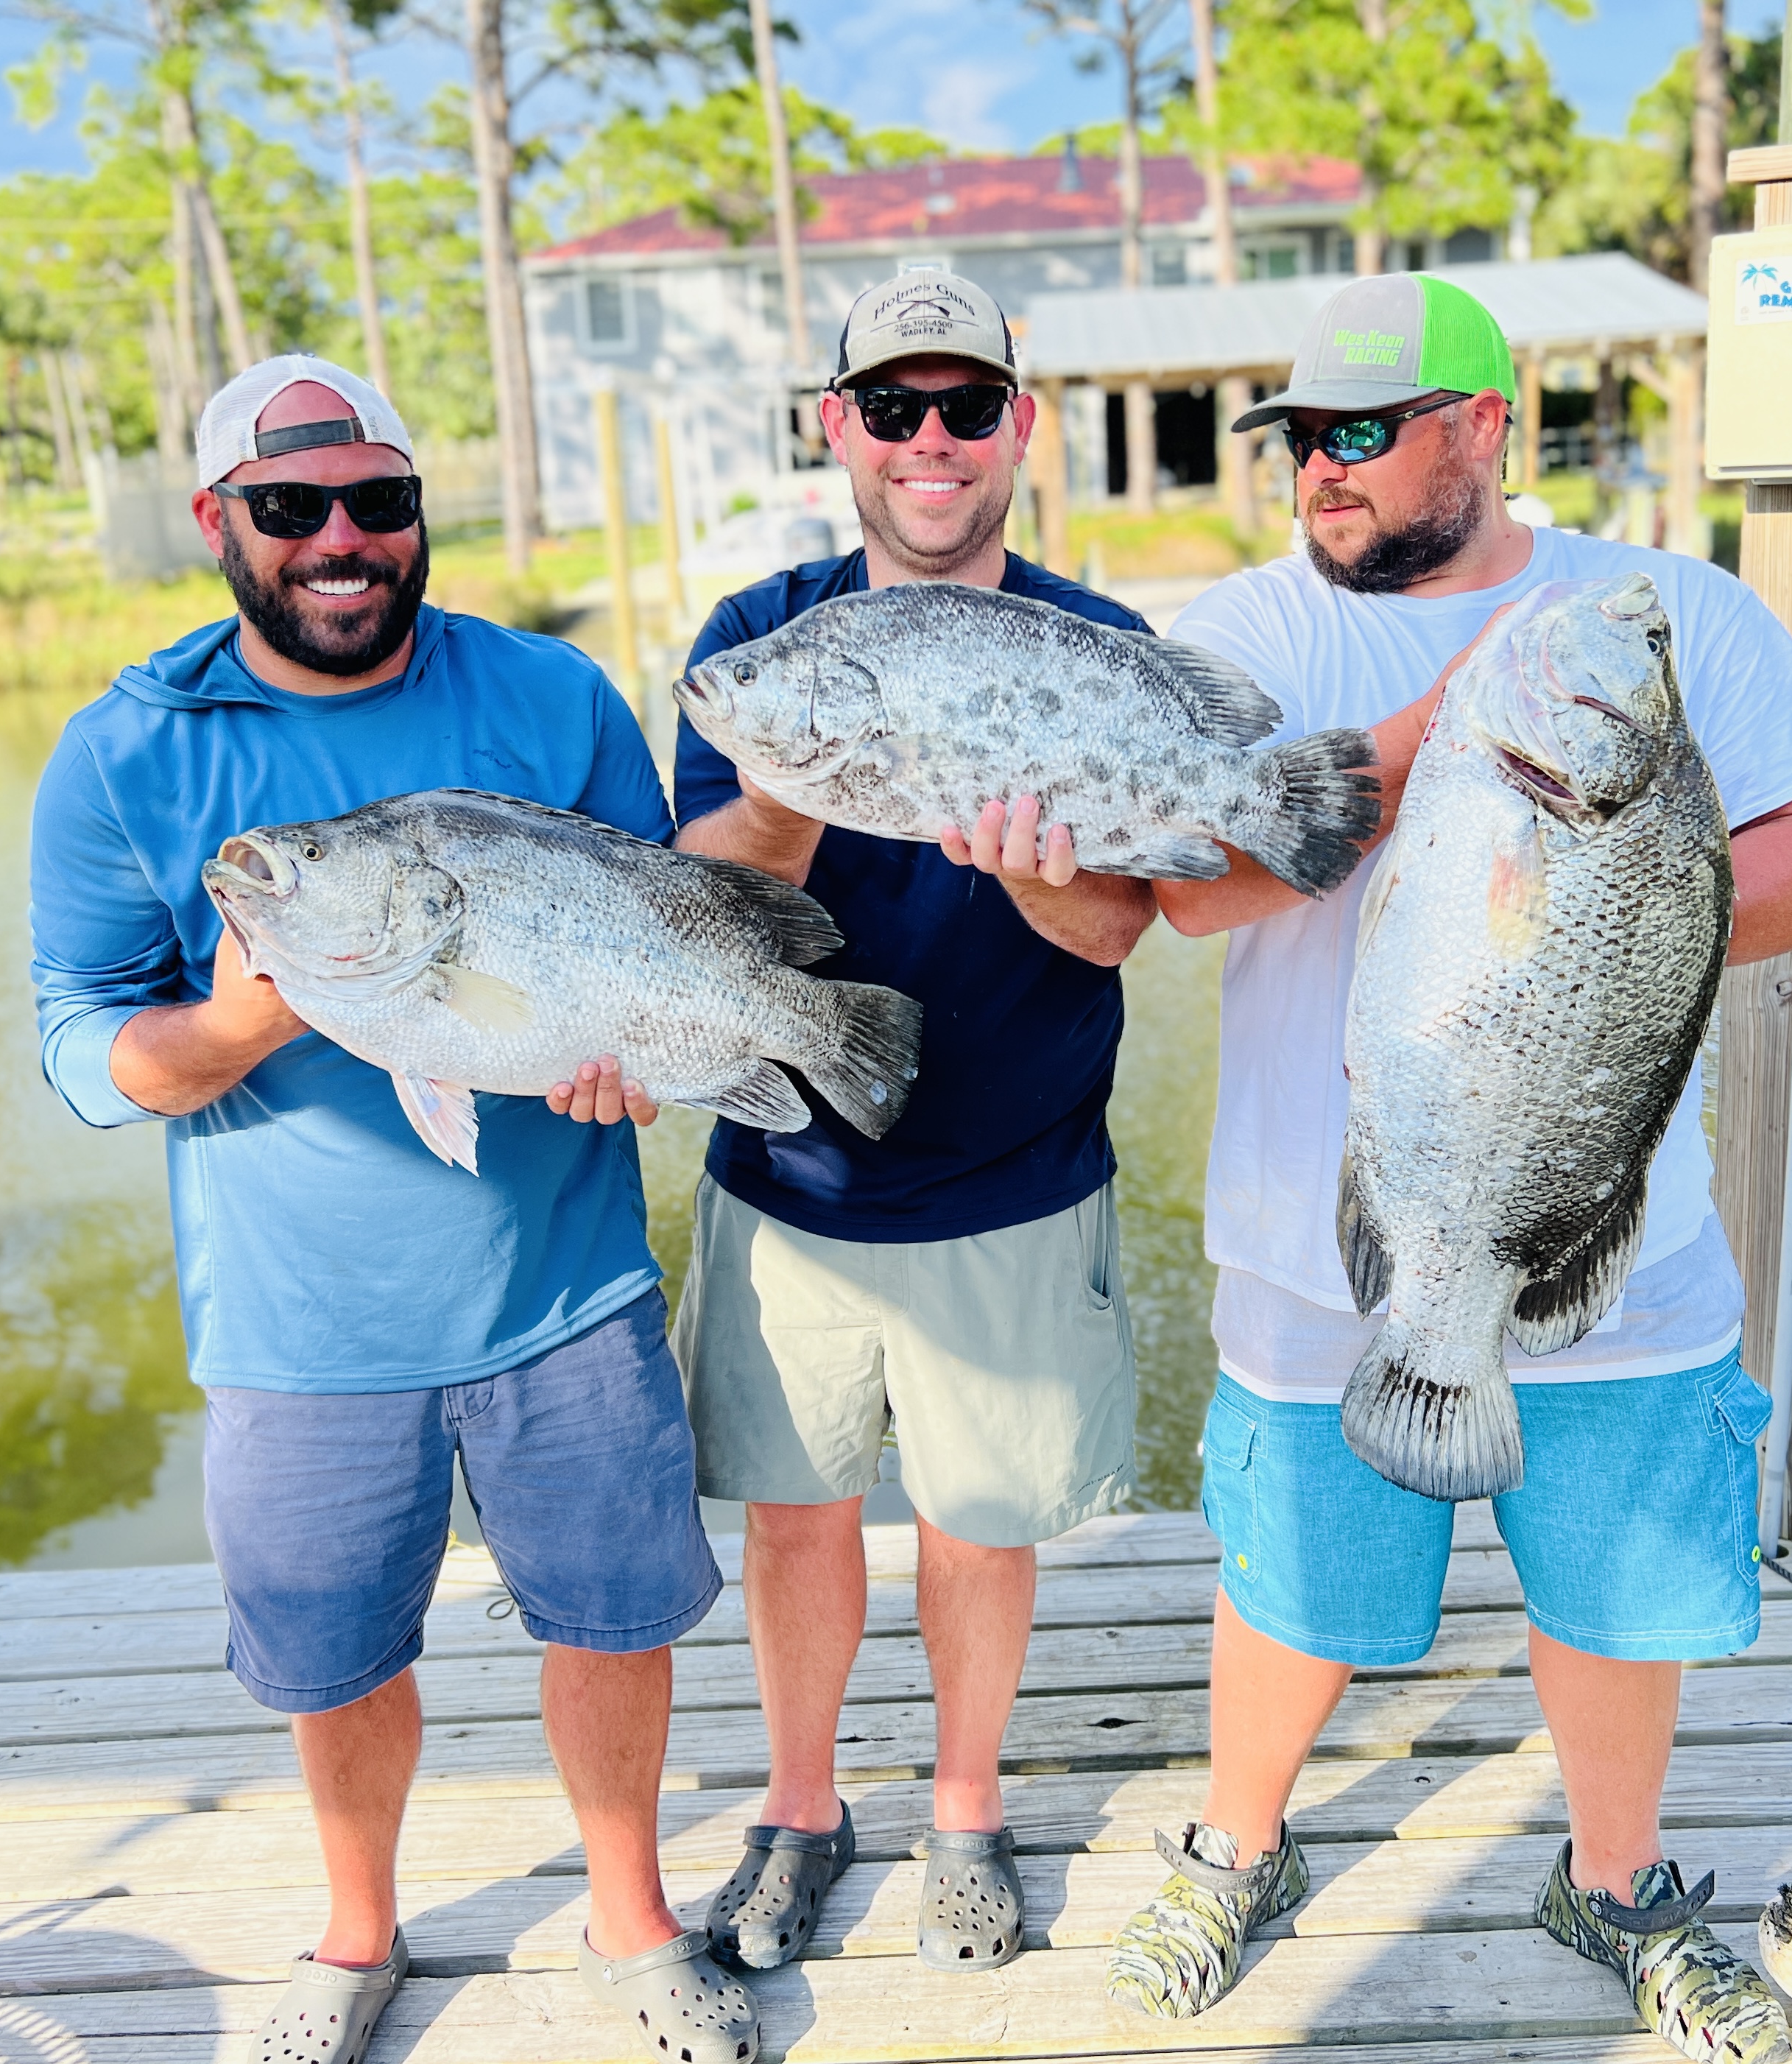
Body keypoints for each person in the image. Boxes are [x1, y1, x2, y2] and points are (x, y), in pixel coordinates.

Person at [1102, 275, 1792, 2064]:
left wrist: (1609, 922)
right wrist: (1421, 730)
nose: (1323, 472)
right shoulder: (1247, 629)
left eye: (1362, 435)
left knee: (1612, 1590)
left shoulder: (1657, 611)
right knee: (1286, 1577)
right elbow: (1194, 891)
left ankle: (1616, 1883)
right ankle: (1239, 1847)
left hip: (1614, 1224)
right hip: (1321, 1244)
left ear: (1484, 424)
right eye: (1301, 439)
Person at [28, 356, 758, 2064]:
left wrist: (633, 1057)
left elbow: (645, 933)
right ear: (222, 521)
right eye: (292, 509)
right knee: (337, 1656)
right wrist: (228, 1031)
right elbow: (77, 1036)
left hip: (566, 1287)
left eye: (380, 501)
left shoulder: (552, 693)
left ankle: (631, 1911)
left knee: (610, 1617)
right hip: (301, 1327)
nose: (343, 539)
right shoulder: (130, 748)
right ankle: (358, 1931)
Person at [669, 265, 1157, 1974]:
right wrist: (791, 793)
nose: (929, 441)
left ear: (1020, 425)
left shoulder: (1102, 649)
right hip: (788, 1171)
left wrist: (1034, 875)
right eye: (893, 407)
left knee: (981, 1519)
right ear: (838, 429)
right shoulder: (757, 639)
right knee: (795, 1517)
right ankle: (800, 1807)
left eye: (965, 406)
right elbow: (697, 912)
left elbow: (1114, 933)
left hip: (1018, 1173)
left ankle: (965, 1812)